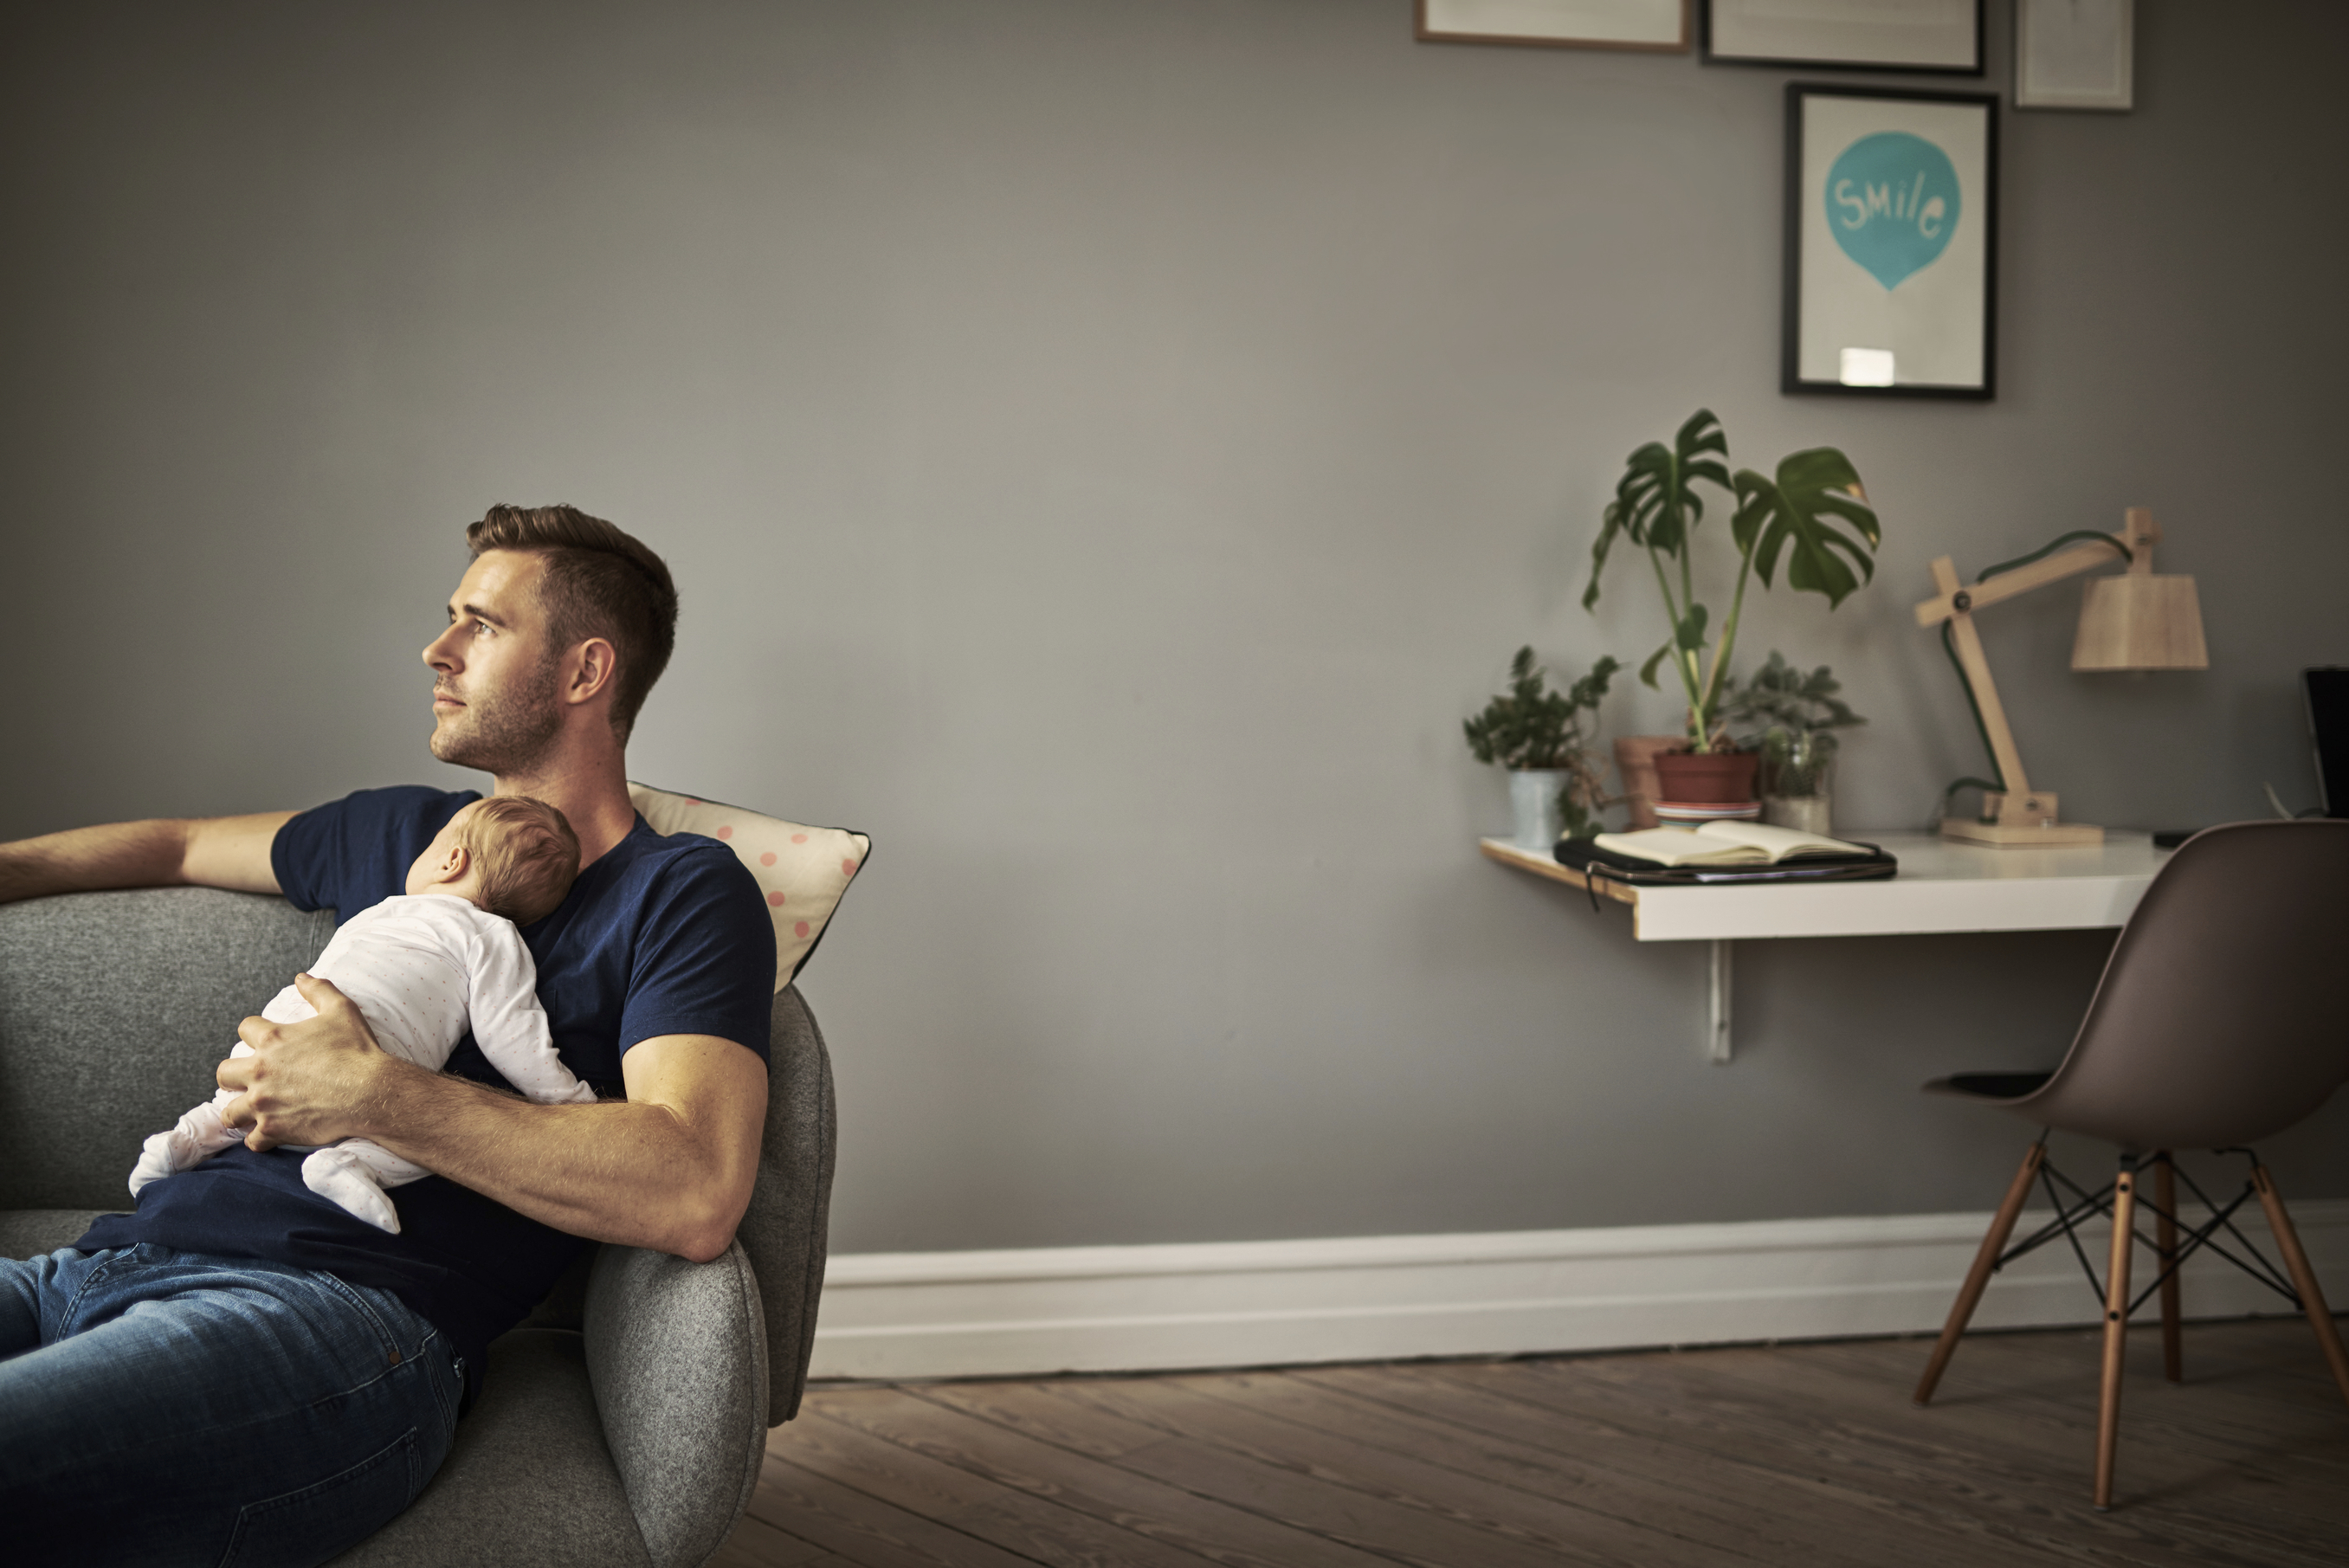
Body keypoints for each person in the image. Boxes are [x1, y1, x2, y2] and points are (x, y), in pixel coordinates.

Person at [0, 506, 776, 1568]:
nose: (436, 647)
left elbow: (693, 1188)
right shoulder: (405, 833)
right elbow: (179, 843)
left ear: (584, 670)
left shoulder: (680, 892)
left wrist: (369, 1093)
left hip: (334, 1324)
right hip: (100, 1263)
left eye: (480, 623)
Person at [130, 794, 594, 1235]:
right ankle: (349, 1163)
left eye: (434, 841)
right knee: (432, 1139)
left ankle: (190, 1135)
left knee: (235, 1104)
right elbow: (511, 1035)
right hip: (359, 1069)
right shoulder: (491, 936)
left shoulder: (382, 911)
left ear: (452, 861)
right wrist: (567, 1101)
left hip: (277, 1037)